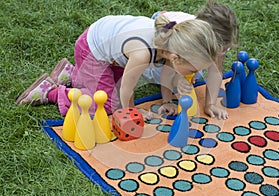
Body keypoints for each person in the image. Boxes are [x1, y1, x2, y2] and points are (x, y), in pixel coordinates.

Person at [16, 14, 222, 119]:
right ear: (176, 57)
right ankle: (53, 92)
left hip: (112, 52)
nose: (196, 75)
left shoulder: (171, 42)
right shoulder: (143, 54)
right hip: (90, 50)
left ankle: (72, 73)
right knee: (108, 105)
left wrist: (168, 99)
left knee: (108, 89)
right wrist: (132, 111)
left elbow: (168, 72)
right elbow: (127, 88)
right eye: (194, 70)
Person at [142, 0, 238, 119]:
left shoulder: (221, 42)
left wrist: (211, 104)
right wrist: (166, 101)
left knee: (194, 74)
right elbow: (168, 68)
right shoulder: (185, 39)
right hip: (164, 28)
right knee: (159, 74)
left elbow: (215, 71)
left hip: (183, 31)